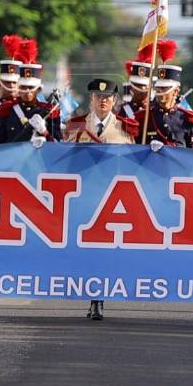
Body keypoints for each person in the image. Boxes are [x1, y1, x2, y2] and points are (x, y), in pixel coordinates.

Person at [64, 79, 139, 321]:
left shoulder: (127, 127)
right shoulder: (76, 125)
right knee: (86, 250)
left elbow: (134, 164)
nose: (103, 101)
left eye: (107, 97)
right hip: (84, 197)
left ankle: (98, 299)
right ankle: (91, 293)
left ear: (115, 100)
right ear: (91, 99)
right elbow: (64, 161)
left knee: (105, 251)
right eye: (98, 96)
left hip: (113, 200)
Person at [0, 40, 62, 144]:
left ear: (39, 89)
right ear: (18, 88)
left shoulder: (50, 111)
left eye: (31, 87)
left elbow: (58, 144)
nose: (27, 91)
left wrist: (44, 132)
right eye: (23, 87)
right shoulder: (7, 109)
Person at [136, 41, 193, 150]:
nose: (159, 91)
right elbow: (135, 148)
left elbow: (192, 153)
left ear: (175, 92)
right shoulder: (144, 117)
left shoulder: (187, 119)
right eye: (158, 88)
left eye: (164, 88)